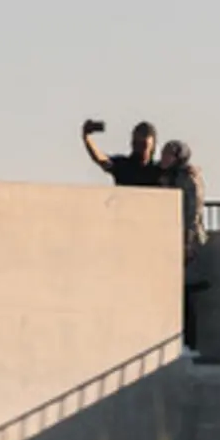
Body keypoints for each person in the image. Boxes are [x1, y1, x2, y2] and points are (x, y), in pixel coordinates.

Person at [160, 139, 210, 351]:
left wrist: (187, 242)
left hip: (185, 240)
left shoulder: (188, 177)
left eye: (169, 154)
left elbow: (193, 211)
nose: (164, 158)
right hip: (170, 238)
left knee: (185, 294)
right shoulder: (168, 176)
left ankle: (189, 343)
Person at [82, 119, 164, 187]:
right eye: (137, 143)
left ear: (152, 146)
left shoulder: (158, 171)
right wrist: (86, 138)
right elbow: (101, 159)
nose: (141, 149)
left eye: (144, 145)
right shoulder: (123, 166)